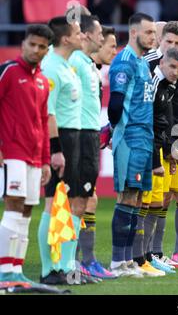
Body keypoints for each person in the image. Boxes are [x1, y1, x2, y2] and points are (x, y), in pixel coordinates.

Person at [107, 12, 164, 277]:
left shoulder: (143, 63)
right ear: (134, 32)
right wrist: (115, 131)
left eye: (155, 32)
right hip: (129, 139)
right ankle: (118, 262)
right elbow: (115, 105)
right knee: (127, 196)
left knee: (138, 199)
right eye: (150, 32)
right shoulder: (125, 62)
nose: (154, 37)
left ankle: (129, 260)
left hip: (144, 140)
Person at [0, 24, 53, 284]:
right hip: (12, 151)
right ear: (23, 44)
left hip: (34, 157)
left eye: (41, 46)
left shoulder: (43, 81)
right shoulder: (8, 72)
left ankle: (16, 270)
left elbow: (43, 122)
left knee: (28, 209)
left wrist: (45, 161)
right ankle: (3, 271)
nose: (36, 49)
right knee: (14, 205)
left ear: (47, 50)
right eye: (32, 44)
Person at [38, 16, 85, 285]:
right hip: (61, 139)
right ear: (66, 38)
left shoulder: (66, 66)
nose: (83, 36)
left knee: (65, 205)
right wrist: (56, 149)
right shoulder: (51, 68)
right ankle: (48, 269)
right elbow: (48, 112)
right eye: (78, 32)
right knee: (52, 205)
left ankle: (65, 267)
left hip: (73, 137)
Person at [132, 47, 178, 274]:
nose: (176, 72)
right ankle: (138, 258)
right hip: (147, 152)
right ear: (162, 62)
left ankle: (147, 256)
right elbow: (148, 124)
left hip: (160, 151)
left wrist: (169, 150)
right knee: (143, 205)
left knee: (156, 204)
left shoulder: (168, 86)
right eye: (173, 66)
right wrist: (156, 159)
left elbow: (166, 121)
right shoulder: (153, 83)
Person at [78, 25, 118, 280]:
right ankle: (77, 261)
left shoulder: (93, 71)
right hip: (78, 142)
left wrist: (102, 131)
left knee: (88, 200)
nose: (114, 50)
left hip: (88, 139)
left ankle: (85, 260)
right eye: (110, 45)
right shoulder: (81, 69)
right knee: (78, 202)